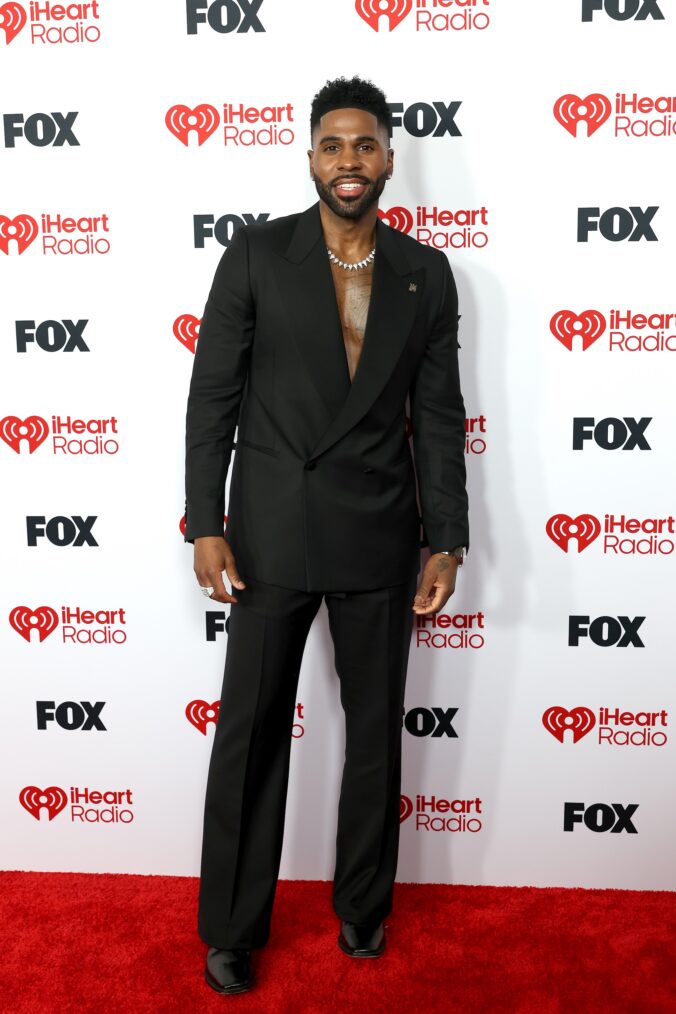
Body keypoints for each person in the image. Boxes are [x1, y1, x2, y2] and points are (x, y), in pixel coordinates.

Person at [184, 75, 469, 996]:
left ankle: (363, 908)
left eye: (367, 146)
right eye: (333, 146)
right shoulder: (258, 254)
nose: (350, 162)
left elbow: (439, 415)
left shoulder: (426, 273)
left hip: (381, 536)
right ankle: (233, 926)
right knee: (251, 732)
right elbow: (213, 400)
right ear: (311, 156)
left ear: (391, 158)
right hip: (270, 534)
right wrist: (206, 524)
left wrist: (447, 539)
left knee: (376, 735)